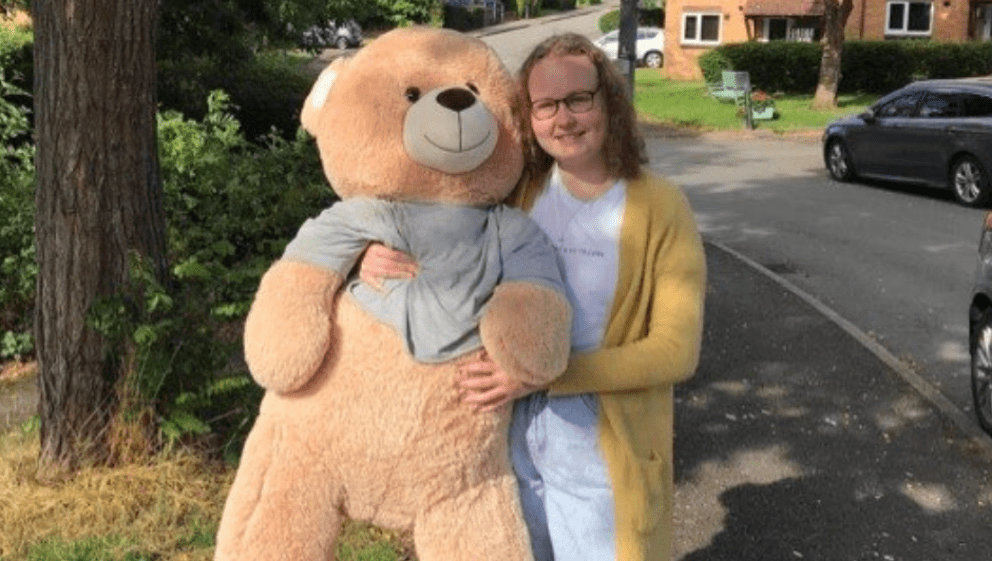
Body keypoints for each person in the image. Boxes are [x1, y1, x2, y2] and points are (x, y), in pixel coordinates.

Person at [359, 33, 705, 561]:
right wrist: (371, 256)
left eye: (578, 99)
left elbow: (676, 351)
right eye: (545, 105)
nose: (563, 118)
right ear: (530, 117)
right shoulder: (522, 196)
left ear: (608, 102)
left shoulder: (660, 206)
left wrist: (545, 374)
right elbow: (444, 244)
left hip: (601, 458)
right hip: (514, 450)